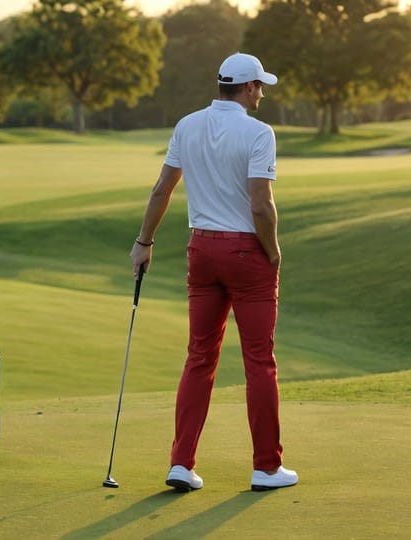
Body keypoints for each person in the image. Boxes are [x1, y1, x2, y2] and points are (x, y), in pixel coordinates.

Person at [129, 52, 298, 493]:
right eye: (260, 85)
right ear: (247, 88)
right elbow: (261, 204)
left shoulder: (187, 125)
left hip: (201, 250)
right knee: (259, 361)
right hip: (247, 254)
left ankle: (181, 464)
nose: (262, 92)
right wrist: (273, 251)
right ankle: (266, 467)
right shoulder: (259, 133)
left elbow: (162, 188)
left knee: (199, 357)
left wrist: (143, 242)